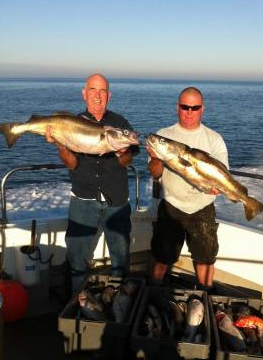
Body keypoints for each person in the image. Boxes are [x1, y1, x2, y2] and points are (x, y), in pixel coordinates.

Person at [46, 74, 138, 296]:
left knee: (120, 259)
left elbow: (127, 162)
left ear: (109, 95)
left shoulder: (120, 124)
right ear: (84, 93)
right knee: (77, 260)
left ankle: (118, 304)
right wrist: (61, 146)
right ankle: (79, 305)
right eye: (94, 90)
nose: (98, 96)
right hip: (83, 199)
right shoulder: (71, 123)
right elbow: (72, 163)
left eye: (103, 91)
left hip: (116, 200)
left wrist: (122, 152)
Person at [147, 87, 229, 290]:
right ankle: (155, 290)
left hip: (202, 206)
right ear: (177, 107)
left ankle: (206, 293)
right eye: (185, 107)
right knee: (162, 255)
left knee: (205, 257)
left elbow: (222, 173)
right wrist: (156, 157)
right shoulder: (164, 136)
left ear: (203, 109)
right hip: (171, 205)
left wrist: (217, 187)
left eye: (195, 107)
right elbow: (156, 174)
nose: (189, 111)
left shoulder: (214, 139)